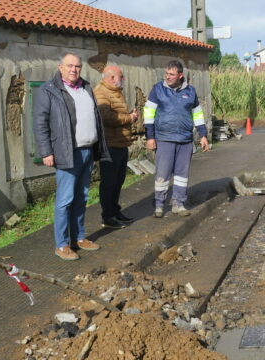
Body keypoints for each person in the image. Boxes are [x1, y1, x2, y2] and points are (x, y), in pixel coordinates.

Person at [33, 53, 111, 261]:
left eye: (77, 66)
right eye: (69, 66)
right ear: (60, 67)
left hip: (87, 150)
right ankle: (61, 244)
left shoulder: (86, 87)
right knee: (65, 200)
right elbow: (40, 124)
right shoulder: (49, 91)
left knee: (82, 197)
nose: (74, 69)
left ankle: (79, 237)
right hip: (66, 152)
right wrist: (46, 152)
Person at [144, 60, 210, 218]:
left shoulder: (191, 92)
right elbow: (148, 114)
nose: (167, 77)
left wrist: (203, 135)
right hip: (164, 138)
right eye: (166, 74)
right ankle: (159, 205)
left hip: (185, 140)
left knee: (182, 175)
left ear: (180, 75)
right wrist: (150, 136)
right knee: (162, 173)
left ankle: (178, 203)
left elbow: (198, 115)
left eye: (171, 74)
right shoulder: (157, 90)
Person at [94, 65, 138, 229]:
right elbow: (105, 116)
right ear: (112, 77)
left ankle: (115, 211)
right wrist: (130, 118)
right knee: (109, 182)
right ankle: (108, 216)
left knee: (118, 180)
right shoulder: (101, 92)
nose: (123, 79)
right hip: (110, 144)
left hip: (120, 143)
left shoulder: (114, 91)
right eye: (121, 76)